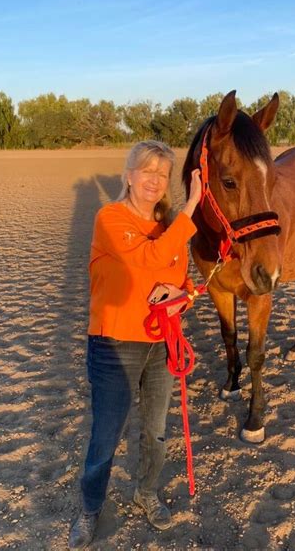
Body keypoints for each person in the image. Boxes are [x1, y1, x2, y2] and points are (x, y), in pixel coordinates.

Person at [69, 140, 202, 549]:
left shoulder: (169, 229)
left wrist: (181, 296)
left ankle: (146, 493)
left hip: (162, 344)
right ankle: (91, 507)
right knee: (106, 436)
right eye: (147, 171)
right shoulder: (109, 218)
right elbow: (147, 259)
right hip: (115, 345)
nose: (155, 181)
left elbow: (185, 284)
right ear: (128, 175)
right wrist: (192, 204)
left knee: (156, 433)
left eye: (162, 174)